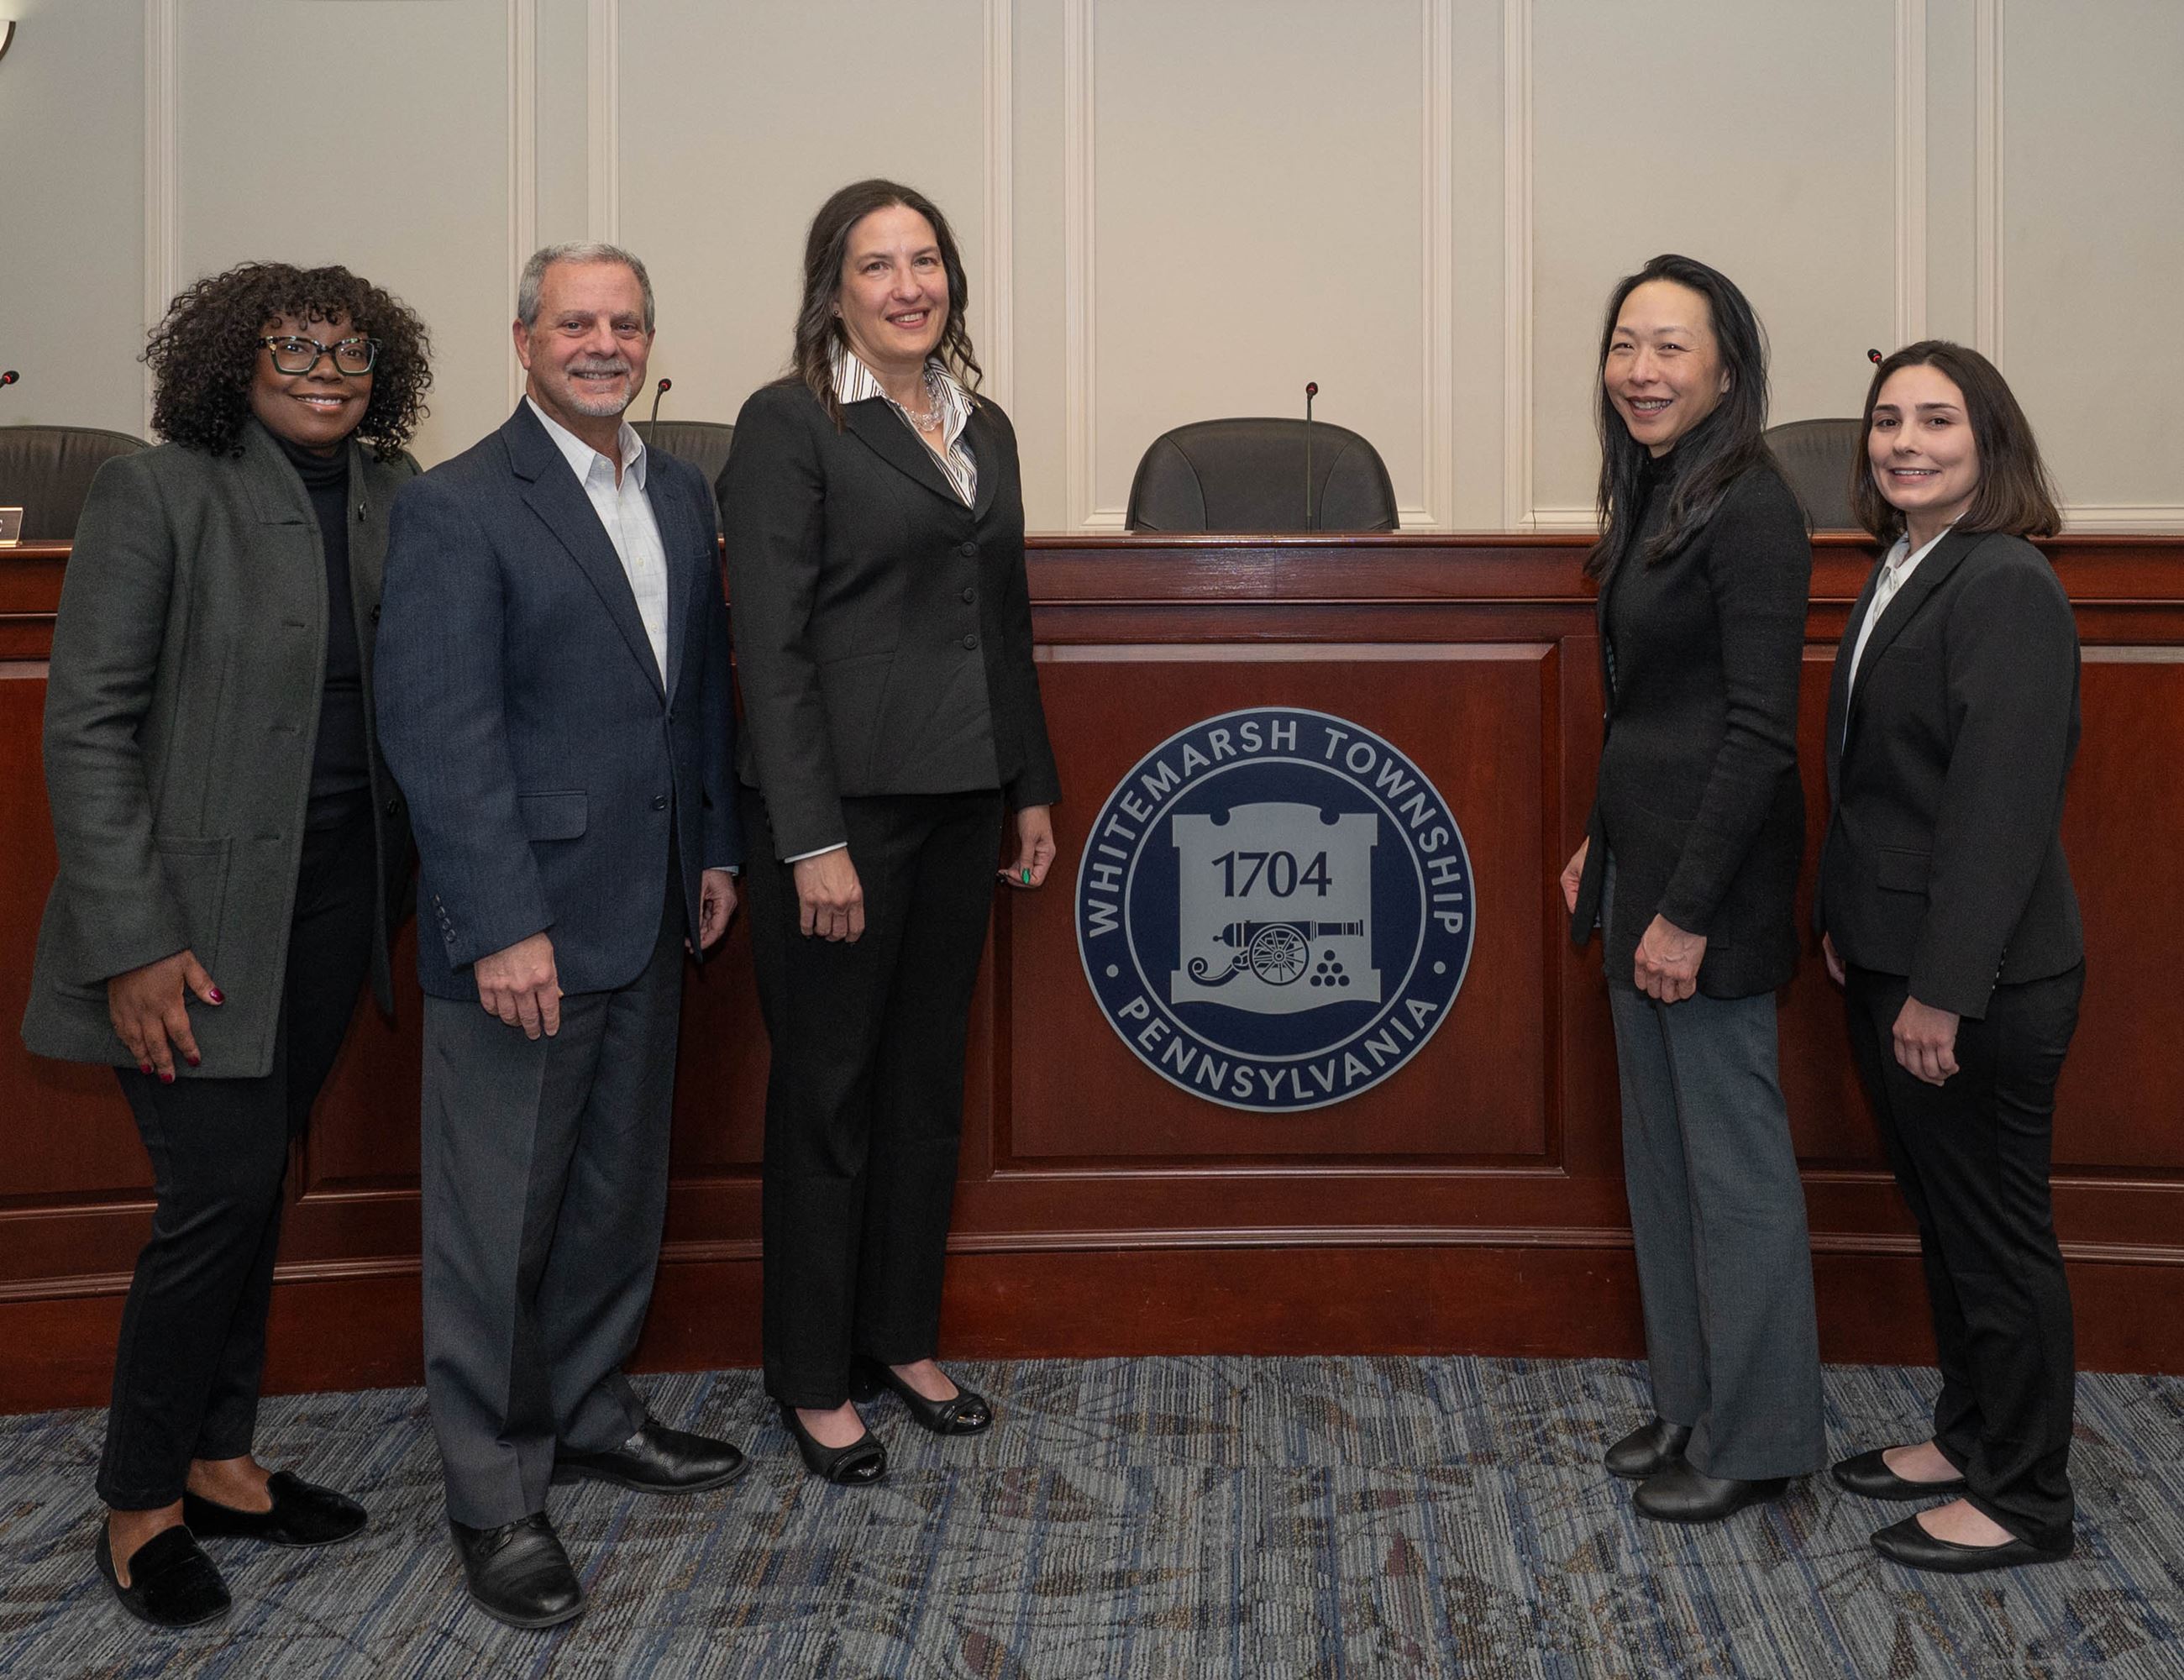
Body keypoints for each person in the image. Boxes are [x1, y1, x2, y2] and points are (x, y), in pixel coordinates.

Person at [22, 262, 432, 1628]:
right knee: (211, 1203)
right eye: (294, 348)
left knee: (255, 1185)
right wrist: (131, 944)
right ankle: (138, 1505)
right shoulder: (159, 490)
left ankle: (223, 1460)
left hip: (334, 905)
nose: (326, 372)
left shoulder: (394, 496)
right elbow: (85, 727)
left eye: (351, 352)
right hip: (190, 925)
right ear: (230, 361)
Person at [374, 243, 745, 1629]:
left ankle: (590, 1411)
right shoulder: (459, 506)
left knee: (610, 1195)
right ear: (522, 339)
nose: (604, 343)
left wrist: (710, 846)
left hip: (651, 907)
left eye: (626, 322)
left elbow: (692, 696)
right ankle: (496, 1494)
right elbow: (440, 734)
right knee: (495, 1224)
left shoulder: (679, 485)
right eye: (576, 322)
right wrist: (502, 923)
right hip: (524, 928)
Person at [720, 180, 1059, 1484]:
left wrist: (1028, 781)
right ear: (835, 288)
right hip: (840, 820)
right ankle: (813, 1377)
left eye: (928, 261)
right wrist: (810, 841)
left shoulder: (986, 426)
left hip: (963, 802)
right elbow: (774, 647)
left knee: (925, 1091)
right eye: (879, 265)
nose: (910, 284)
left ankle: (900, 1337)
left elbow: (1001, 622)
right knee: (829, 1097)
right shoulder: (788, 423)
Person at [1557, 253, 1824, 1524]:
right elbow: (1650, 715)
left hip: (1708, 886)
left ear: (1727, 367)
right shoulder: (1660, 491)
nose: (1642, 369)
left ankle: (1763, 1431)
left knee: (1733, 1167)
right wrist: (1605, 853)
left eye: (1670, 346)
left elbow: (1759, 735)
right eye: (1625, 344)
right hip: (1646, 864)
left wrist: (1685, 909)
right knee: (1662, 1160)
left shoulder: (1754, 507)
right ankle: (1693, 1397)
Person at [1819, 342, 2082, 1573]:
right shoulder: (1910, 562)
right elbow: (1885, 785)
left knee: (1996, 1234)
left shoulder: (2006, 582)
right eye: (1887, 421)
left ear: (1993, 443)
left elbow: (1999, 809)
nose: (1904, 442)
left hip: (1975, 982)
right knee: (1948, 1221)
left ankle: (2026, 1497)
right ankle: (1973, 1434)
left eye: (1937, 420)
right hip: (1897, 956)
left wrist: (1940, 987)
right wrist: (1850, 928)